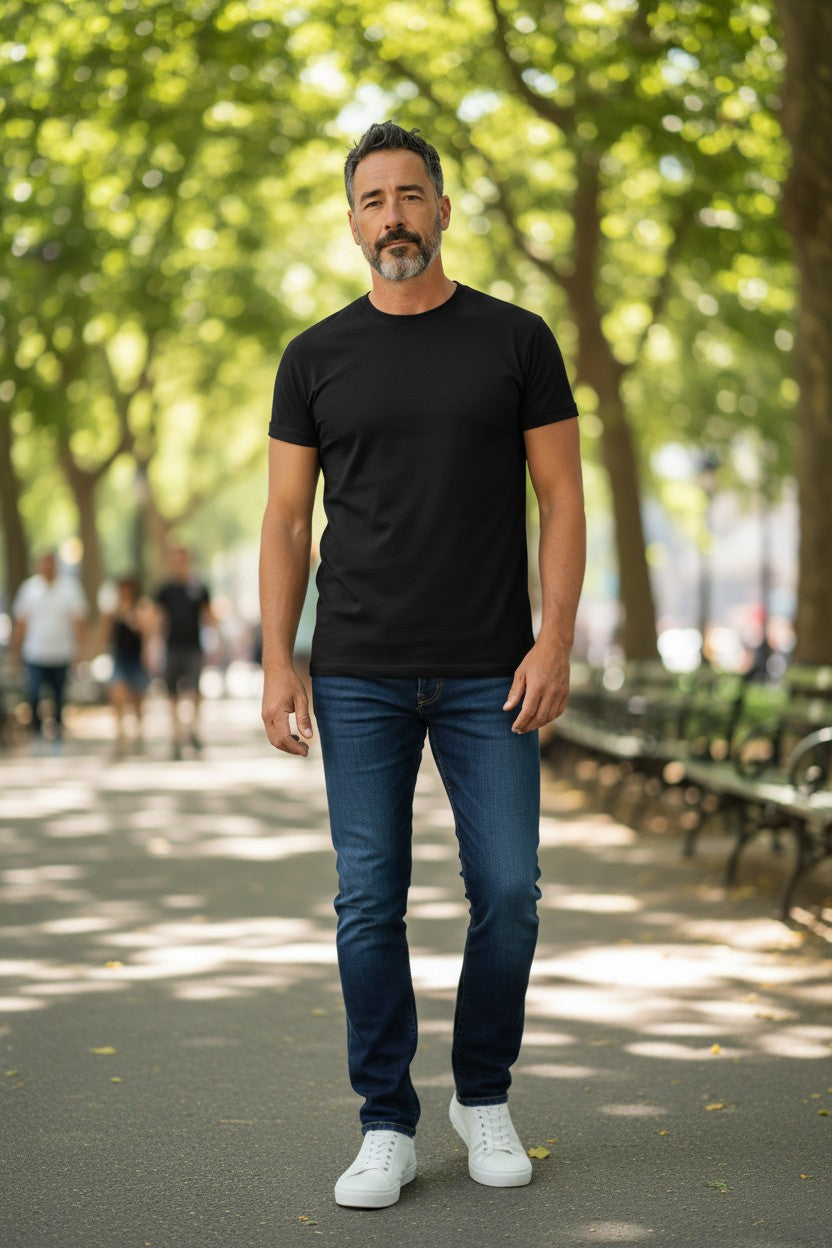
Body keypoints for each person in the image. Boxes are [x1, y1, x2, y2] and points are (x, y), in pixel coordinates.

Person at [259, 122, 586, 1209]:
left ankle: (480, 1094)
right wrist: (277, 659)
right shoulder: (313, 356)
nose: (392, 216)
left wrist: (554, 637)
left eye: (410, 196)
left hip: (492, 667)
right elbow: (282, 521)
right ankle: (385, 1120)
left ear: (442, 211)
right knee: (368, 901)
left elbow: (565, 499)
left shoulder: (517, 339)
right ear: (351, 221)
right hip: (355, 668)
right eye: (371, 200)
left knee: (509, 892)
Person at [10, 549, 88, 743]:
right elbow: (21, 623)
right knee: (34, 692)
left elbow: (78, 622)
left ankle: (58, 728)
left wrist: (80, 649)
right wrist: (15, 650)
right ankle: (37, 729)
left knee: (59, 695)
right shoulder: (28, 590)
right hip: (35, 653)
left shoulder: (70, 589)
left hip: (61, 652)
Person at [154, 546, 214, 760]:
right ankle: (176, 735)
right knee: (172, 693)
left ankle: (194, 730)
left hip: (193, 647)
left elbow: (208, 616)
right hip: (172, 647)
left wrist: (215, 642)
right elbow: (159, 619)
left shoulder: (198, 587)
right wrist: (154, 646)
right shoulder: (165, 590)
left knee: (195, 692)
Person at [106, 577, 153, 757]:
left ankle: (139, 732)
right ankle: (120, 735)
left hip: (136, 659)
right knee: (117, 694)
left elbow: (147, 632)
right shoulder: (113, 610)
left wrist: (133, 619)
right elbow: (107, 634)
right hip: (120, 658)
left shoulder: (142, 608)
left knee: (137, 699)